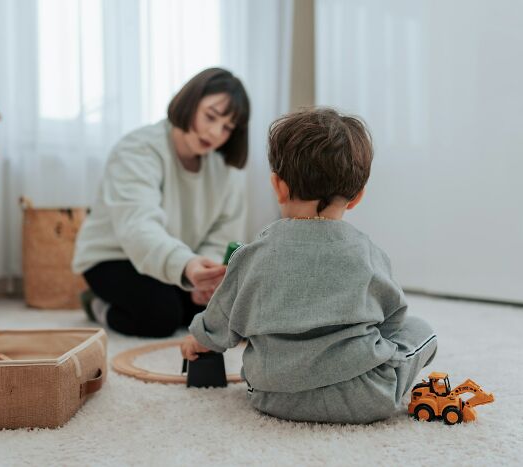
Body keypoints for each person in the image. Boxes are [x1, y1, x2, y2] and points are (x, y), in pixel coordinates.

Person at [180, 108, 437, 424]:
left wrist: (199, 339)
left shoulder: (251, 254)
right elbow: (393, 318)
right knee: (421, 331)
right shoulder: (368, 253)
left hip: (270, 394)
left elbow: (221, 318)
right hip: (365, 397)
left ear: (278, 186)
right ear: (356, 197)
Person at [72, 68, 250, 337]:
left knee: (216, 314)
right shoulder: (137, 149)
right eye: (210, 116)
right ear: (189, 103)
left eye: (227, 127)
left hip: (176, 262)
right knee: (160, 316)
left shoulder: (224, 170)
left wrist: (207, 278)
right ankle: (96, 305)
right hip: (115, 257)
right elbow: (138, 228)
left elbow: (223, 233)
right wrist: (188, 267)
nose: (215, 132)